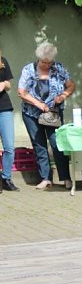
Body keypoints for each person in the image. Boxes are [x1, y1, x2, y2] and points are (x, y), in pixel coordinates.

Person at [17, 43, 76, 190]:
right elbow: (21, 92)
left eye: (49, 62)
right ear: (39, 59)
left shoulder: (59, 68)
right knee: (39, 145)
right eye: (44, 62)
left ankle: (66, 177)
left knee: (57, 144)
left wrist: (63, 95)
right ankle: (45, 178)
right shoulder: (28, 70)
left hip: (53, 114)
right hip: (31, 113)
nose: (47, 65)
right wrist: (38, 104)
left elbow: (71, 85)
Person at [0, 48, 18, 192]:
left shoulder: (2, 61)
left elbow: (9, 84)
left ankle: (6, 178)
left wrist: (3, 84)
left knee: (9, 147)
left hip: (4, 108)